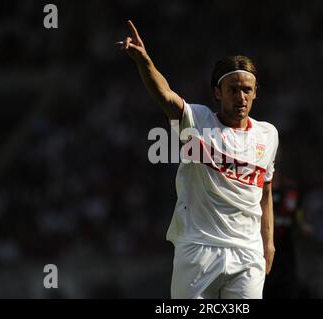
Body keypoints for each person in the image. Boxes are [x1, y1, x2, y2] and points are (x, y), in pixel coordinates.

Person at [119, 20, 279, 299]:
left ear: (255, 93)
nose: (241, 97)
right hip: (199, 248)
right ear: (218, 92)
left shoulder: (268, 134)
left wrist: (269, 243)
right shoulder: (198, 121)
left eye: (247, 90)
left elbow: (264, 191)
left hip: (248, 252)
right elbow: (166, 96)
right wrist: (144, 62)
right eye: (233, 89)